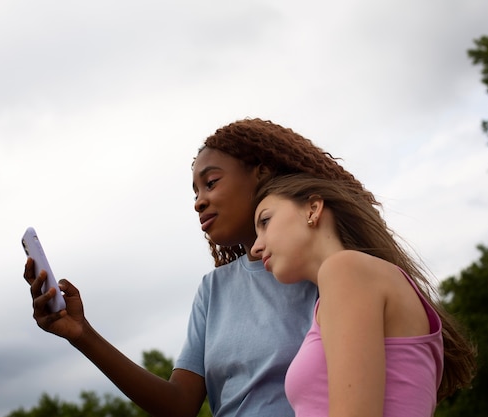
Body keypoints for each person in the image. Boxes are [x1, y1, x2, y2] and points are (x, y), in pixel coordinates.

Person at [25, 118, 378, 417]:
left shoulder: (332, 272)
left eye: (211, 183)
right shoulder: (214, 290)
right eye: (194, 192)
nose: (199, 202)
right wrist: (82, 334)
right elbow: (179, 405)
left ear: (262, 173)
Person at [250, 174, 477, 417]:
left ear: (313, 209)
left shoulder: (346, 270)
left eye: (265, 221)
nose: (255, 247)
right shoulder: (356, 279)